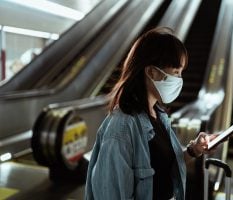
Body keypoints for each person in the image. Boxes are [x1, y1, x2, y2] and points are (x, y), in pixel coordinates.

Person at [85, 27, 218, 200]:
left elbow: (162, 165)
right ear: (151, 72)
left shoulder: (158, 115)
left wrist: (194, 150)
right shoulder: (122, 127)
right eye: (176, 72)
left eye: (181, 73)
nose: (179, 80)